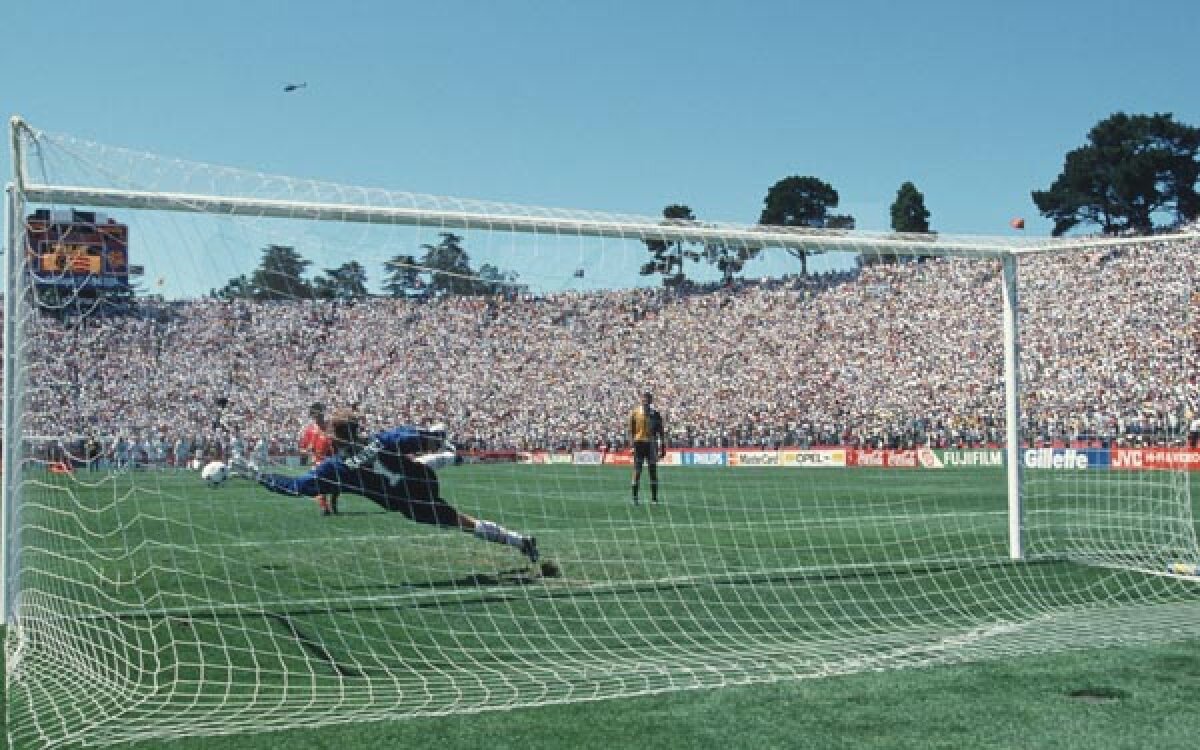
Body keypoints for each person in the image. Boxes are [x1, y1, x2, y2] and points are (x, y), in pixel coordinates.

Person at [228, 409, 539, 564]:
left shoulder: (336, 468)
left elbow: (295, 488)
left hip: (406, 502)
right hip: (421, 480)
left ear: (335, 437)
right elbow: (416, 436)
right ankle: (447, 459)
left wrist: (258, 476)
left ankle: (519, 541)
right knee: (414, 466)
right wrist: (435, 434)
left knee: (461, 522)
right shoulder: (382, 439)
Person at [298, 402, 340, 515]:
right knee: (320, 485)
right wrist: (307, 451)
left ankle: (333, 503)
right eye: (315, 414)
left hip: (332, 461)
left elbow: (338, 442)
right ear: (312, 415)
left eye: (320, 413)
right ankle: (324, 508)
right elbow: (301, 449)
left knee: (336, 486)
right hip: (317, 462)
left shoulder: (330, 427)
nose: (318, 416)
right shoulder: (309, 430)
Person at [629, 391, 666, 505]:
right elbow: (631, 431)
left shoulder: (655, 414)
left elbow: (661, 431)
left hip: (651, 444)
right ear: (641, 400)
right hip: (639, 443)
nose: (645, 402)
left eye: (647, 400)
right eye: (643, 400)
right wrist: (632, 446)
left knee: (653, 471)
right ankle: (635, 498)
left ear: (651, 401)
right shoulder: (635, 413)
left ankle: (654, 499)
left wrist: (663, 446)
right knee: (637, 471)